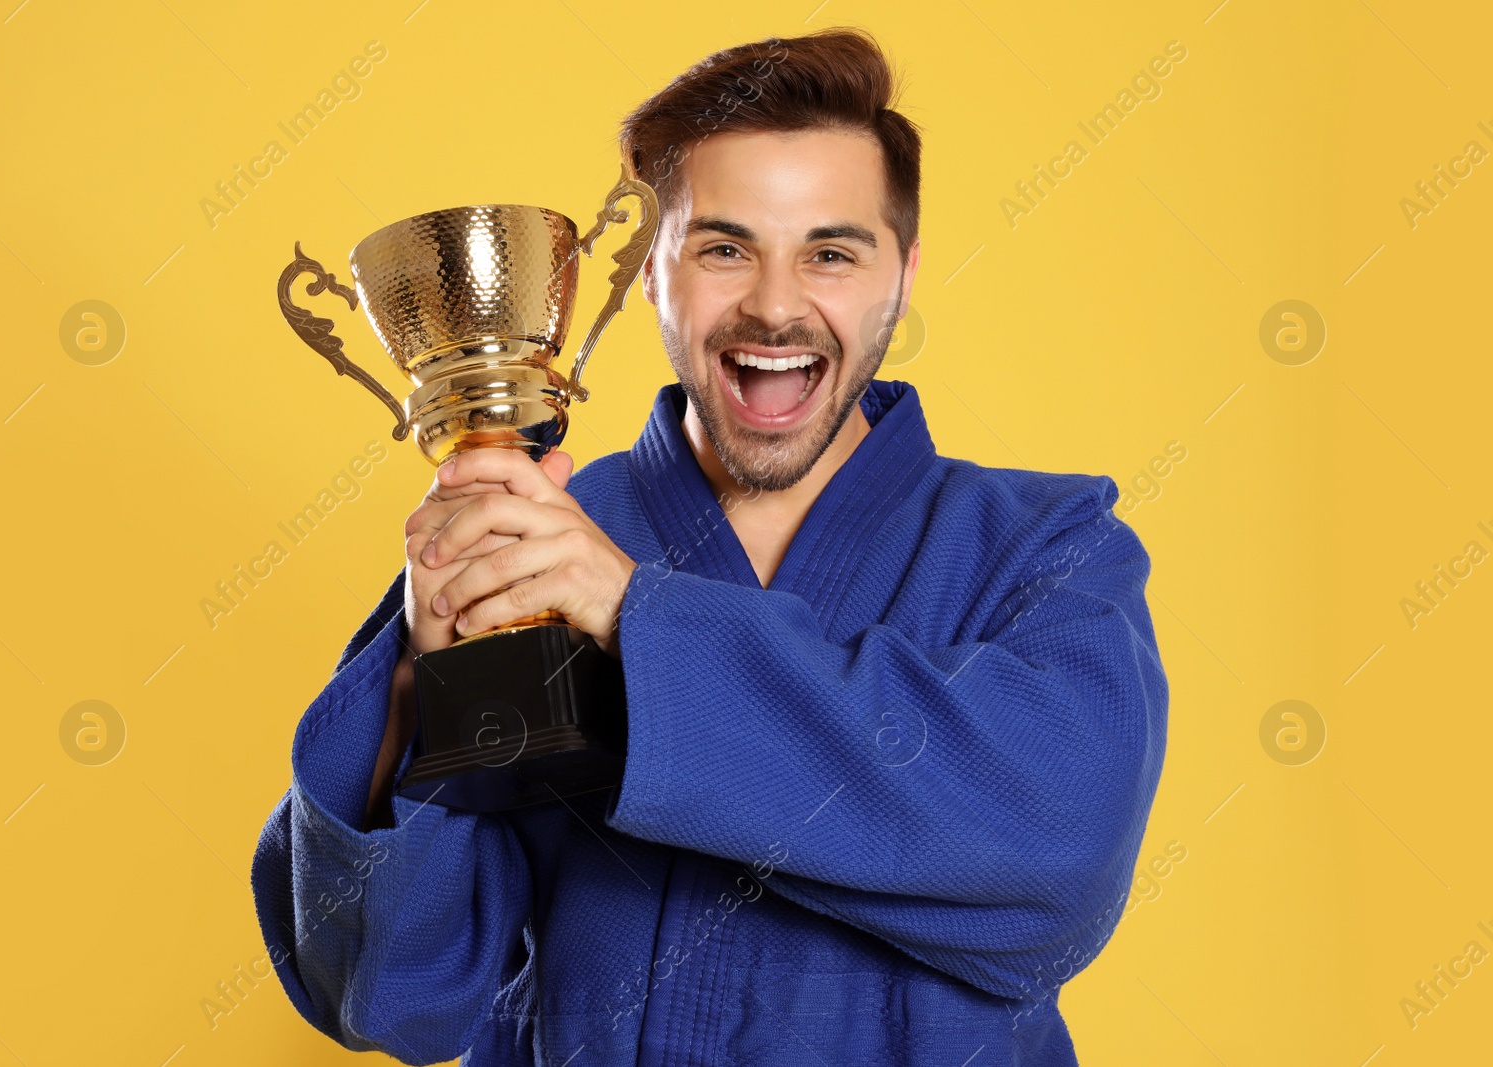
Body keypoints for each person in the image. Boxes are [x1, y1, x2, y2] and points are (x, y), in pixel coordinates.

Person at [251, 27, 1168, 1067]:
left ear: (901, 274)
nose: (776, 305)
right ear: (650, 274)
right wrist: (425, 674)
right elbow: (394, 999)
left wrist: (634, 615)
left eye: (830, 250)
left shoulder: (1045, 548)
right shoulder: (546, 546)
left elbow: (1058, 860)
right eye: (723, 247)